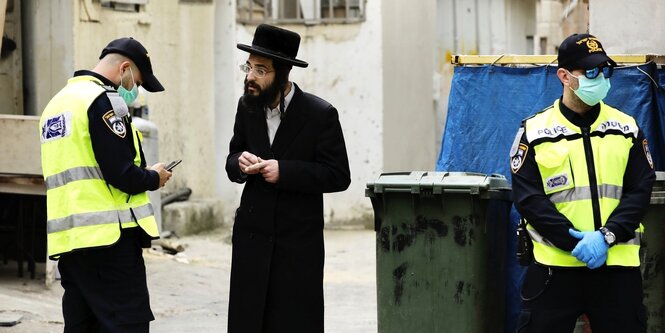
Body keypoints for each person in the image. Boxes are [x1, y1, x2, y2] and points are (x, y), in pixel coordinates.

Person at [510, 33, 656, 332]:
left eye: (604, 70)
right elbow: (529, 199)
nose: (600, 77)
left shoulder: (626, 128)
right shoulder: (535, 131)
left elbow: (639, 190)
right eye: (590, 71)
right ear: (564, 76)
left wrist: (606, 237)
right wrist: (572, 240)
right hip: (556, 268)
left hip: (615, 266)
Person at [39, 37, 171, 333]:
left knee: (82, 326)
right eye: (136, 81)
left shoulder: (57, 103)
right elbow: (121, 173)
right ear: (124, 68)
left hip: (71, 243)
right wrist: (154, 177)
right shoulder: (103, 101)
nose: (134, 91)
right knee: (128, 324)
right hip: (109, 240)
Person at [225, 24, 351, 333]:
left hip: (297, 244)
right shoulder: (247, 107)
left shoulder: (320, 114)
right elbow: (232, 159)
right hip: (252, 239)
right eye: (248, 67)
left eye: (261, 70)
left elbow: (338, 175)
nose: (250, 77)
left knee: (293, 321)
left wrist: (286, 171)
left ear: (282, 74)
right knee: (248, 320)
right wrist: (239, 163)